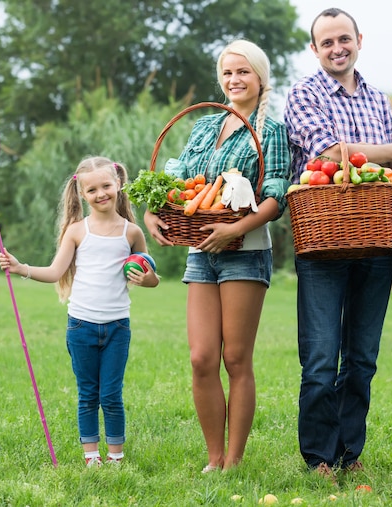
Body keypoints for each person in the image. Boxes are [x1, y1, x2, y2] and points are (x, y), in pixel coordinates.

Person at [144, 39, 291, 472]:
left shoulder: (271, 131)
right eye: (228, 73)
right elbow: (177, 175)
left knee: (236, 358)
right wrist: (154, 208)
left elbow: (275, 195)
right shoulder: (205, 126)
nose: (234, 80)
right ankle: (213, 457)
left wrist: (235, 229)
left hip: (245, 252)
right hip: (199, 252)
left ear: (260, 77)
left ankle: (235, 459)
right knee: (202, 357)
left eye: (243, 72)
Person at [283, 8, 392, 477]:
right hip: (323, 243)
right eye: (327, 42)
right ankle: (319, 455)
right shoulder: (304, 94)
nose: (337, 48)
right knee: (319, 358)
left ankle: (348, 451)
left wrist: (386, 157)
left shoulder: (377, 98)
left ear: (359, 39)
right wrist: (391, 151)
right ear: (314, 49)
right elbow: (323, 153)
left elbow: (384, 172)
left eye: (344, 39)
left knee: (362, 358)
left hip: (374, 240)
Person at [0, 156, 159, 467]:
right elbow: (56, 272)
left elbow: (149, 274)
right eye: (92, 190)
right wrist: (21, 269)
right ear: (82, 194)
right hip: (81, 326)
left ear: (118, 185)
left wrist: (149, 279)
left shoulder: (132, 233)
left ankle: (115, 457)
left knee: (111, 395)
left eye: (106, 186)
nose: (101, 194)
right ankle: (91, 457)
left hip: (117, 328)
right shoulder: (76, 231)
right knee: (88, 395)